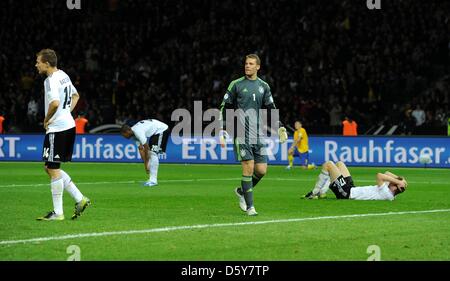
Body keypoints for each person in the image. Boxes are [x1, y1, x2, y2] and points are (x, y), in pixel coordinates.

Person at [219, 54, 287, 216]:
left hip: (258, 134)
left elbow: (271, 108)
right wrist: (222, 129)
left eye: (250, 64)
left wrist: (280, 127)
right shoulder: (236, 84)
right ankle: (250, 207)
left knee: (262, 170)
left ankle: (242, 192)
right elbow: (224, 107)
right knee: (248, 167)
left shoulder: (264, 86)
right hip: (241, 132)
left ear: (258, 67)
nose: (247, 66)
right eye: (246, 63)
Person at [35, 49, 90, 221]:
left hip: (57, 129)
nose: (36, 64)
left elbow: (55, 102)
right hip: (68, 126)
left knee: (52, 168)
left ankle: (58, 213)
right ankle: (80, 199)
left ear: (47, 63)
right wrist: (66, 112)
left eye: (38, 61)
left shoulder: (50, 80)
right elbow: (76, 95)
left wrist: (47, 119)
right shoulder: (64, 75)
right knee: (50, 167)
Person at [303, 161, 407, 200]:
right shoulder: (391, 191)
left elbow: (380, 175)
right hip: (351, 188)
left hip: (346, 193)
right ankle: (322, 192)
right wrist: (401, 179)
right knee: (340, 163)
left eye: (394, 183)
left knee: (328, 165)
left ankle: (315, 192)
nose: (392, 182)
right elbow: (387, 173)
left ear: (395, 187)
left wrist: (398, 181)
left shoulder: (386, 193)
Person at [120, 119, 169, 186]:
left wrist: (147, 162)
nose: (124, 137)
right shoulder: (134, 135)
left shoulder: (138, 131)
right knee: (152, 153)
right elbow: (141, 149)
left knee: (153, 153)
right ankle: (151, 179)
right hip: (155, 132)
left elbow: (146, 148)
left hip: (161, 129)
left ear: (128, 131)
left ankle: (153, 181)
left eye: (124, 135)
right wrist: (145, 165)